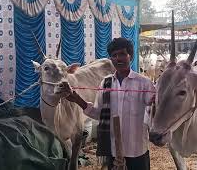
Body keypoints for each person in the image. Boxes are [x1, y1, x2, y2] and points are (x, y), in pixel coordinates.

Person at [60, 37, 155, 170]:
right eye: (114, 55)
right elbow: (99, 113)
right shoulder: (106, 83)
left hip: (137, 149)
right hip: (113, 149)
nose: (118, 58)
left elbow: (153, 112)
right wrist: (77, 100)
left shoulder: (144, 83)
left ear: (130, 56)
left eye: (122, 54)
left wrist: (156, 103)